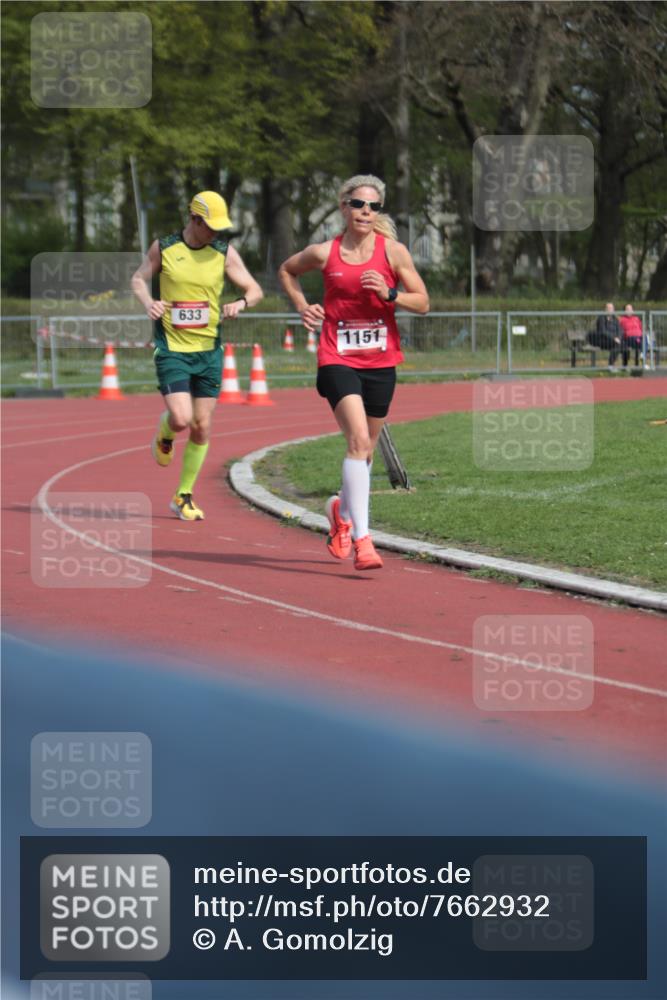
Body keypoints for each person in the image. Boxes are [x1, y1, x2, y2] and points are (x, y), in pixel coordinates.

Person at [278, 174, 429, 571]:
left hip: (380, 361)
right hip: (337, 357)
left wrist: (390, 293)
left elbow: (423, 302)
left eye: (373, 206)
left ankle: (340, 511)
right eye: (359, 204)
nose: (366, 211)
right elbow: (287, 270)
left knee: (365, 451)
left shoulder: (393, 252)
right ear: (344, 206)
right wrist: (302, 305)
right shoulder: (324, 252)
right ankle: (363, 539)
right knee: (359, 440)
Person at [131, 191, 263, 520]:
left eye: (220, 227)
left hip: (209, 352)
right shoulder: (165, 247)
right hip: (172, 349)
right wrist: (149, 303)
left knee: (201, 425)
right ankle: (166, 432)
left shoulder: (224, 252)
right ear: (194, 219)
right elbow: (138, 279)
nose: (215, 233)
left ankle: (183, 495)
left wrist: (240, 303)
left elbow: (255, 290)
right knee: (181, 418)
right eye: (210, 226)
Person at [588, 302, 627, 369]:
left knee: (624, 346)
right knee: (617, 345)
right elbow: (603, 331)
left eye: (612, 308)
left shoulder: (615, 319)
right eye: (609, 308)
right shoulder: (601, 318)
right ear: (605, 309)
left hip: (615, 340)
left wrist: (619, 337)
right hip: (603, 340)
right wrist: (614, 338)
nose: (610, 310)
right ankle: (610, 365)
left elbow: (620, 330)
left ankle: (625, 366)